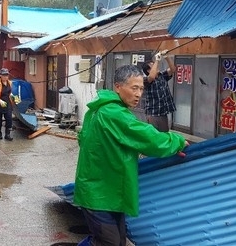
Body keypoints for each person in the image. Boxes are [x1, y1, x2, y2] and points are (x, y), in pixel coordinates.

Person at [73, 64, 188, 246]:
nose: (138, 94)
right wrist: (177, 141)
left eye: (141, 88)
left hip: (107, 191)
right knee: (109, 243)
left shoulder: (99, 109)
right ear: (118, 86)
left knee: (117, 242)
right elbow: (147, 138)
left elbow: (86, 139)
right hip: (98, 193)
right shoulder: (113, 113)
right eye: (134, 88)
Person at [142, 51, 176, 132]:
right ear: (148, 70)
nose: (156, 66)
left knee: (164, 136)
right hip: (153, 114)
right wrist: (157, 60)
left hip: (163, 113)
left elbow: (173, 69)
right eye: (152, 66)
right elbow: (152, 77)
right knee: (154, 137)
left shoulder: (162, 76)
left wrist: (166, 57)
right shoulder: (146, 80)